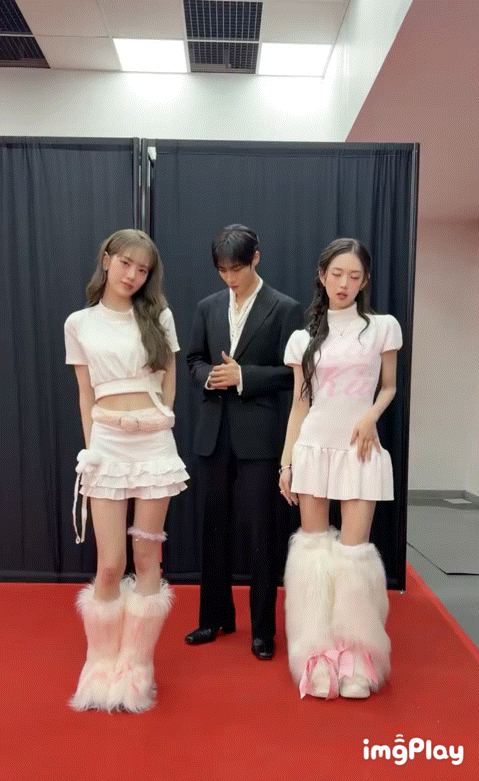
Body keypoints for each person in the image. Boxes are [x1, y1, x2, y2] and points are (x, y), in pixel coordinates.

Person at [64, 229, 188, 712]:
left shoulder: (159, 316)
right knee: (110, 563)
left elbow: (170, 377)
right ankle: (100, 664)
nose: (133, 275)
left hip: (154, 443)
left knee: (148, 557)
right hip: (107, 446)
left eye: (143, 269)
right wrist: (91, 449)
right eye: (126, 264)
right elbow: (85, 392)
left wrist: (163, 415)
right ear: (107, 260)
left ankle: (137, 666)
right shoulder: (79, 323)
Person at [280, 237, 402, 699]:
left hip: (359, 449)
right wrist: (287, 462)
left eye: (354, 276)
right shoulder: (303, 338)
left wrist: (370, 416)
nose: (344, 283)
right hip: (313, 447)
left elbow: (388, 387)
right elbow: (300, 404)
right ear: (322, 276)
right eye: (336, 274)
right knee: (313, 556)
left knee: (353, 557)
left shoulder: (383, 328)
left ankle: (357, 660)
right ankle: (315, 657)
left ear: (365, 280)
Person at [184, 224, 303, 659]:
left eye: (237, 268)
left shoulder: (285, 308)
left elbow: (293, 374)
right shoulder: (207, 306)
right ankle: (214, 618)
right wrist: (209, 376)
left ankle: (263, 630)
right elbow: (193, 359)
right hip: (213, 435)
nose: (230, 278)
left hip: (260, 439)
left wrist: (243, 377)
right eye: (222, 270)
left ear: (256, 258)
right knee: (212, 528)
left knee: (262, 534)